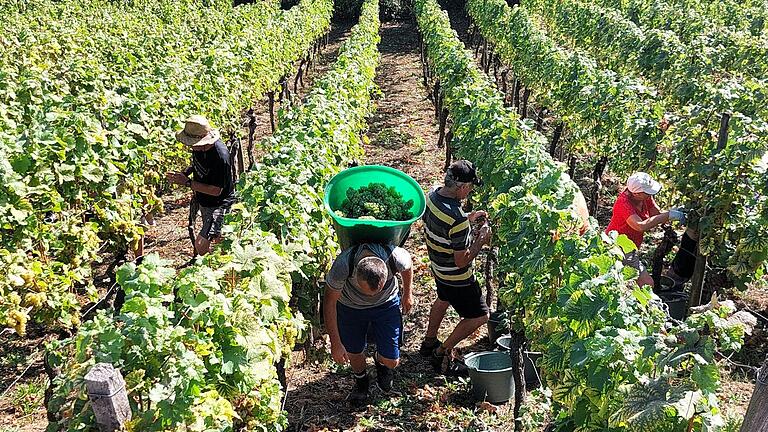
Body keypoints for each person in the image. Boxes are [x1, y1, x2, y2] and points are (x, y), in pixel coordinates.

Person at [419, 160, 492, 375]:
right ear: (461, 187)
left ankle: (429, 341)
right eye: (469, 188)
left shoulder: (432, 196)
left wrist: (468, 218)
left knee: (443, 299)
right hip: (456, 276)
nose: (469, 192)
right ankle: (442, 351)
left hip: (438, 267)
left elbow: (444, 226)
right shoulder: (457, 219)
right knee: (480, 316)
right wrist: (481, 239)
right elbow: (462, 260)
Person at [324, 243, 413, 401]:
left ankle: (380, 359)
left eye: (376, 291)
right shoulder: (343, 265)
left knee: (392, 361)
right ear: (356, 277)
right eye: (367, 292)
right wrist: (335, 343)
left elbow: (408, 266)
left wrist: (407, 294)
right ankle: (361, 381)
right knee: (354, 350)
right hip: (351, 307)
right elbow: (329, 303)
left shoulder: (396, 258)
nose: (371, 297)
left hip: (386, 304)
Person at [166, 115, 235, 256]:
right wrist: (186, 173)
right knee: (217, 239)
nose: (190, 146)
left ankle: (212, 270)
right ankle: (221, 268)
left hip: (220, 204)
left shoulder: (220, 157)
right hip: (206, 202)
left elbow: (216, 190)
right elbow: (197, 164)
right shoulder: (199, 148)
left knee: (201, 245)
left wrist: (186, 182)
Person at [605, 172, 685, 288]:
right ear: (637, 193)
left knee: (624, 281)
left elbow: (656, 214)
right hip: (618, 246)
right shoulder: (622, 203)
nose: (650, 195)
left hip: (630, 246)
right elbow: (640, 225)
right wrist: (669, 215)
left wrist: (675, 212)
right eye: (647, 192)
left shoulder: (645, 197)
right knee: (646, 283)